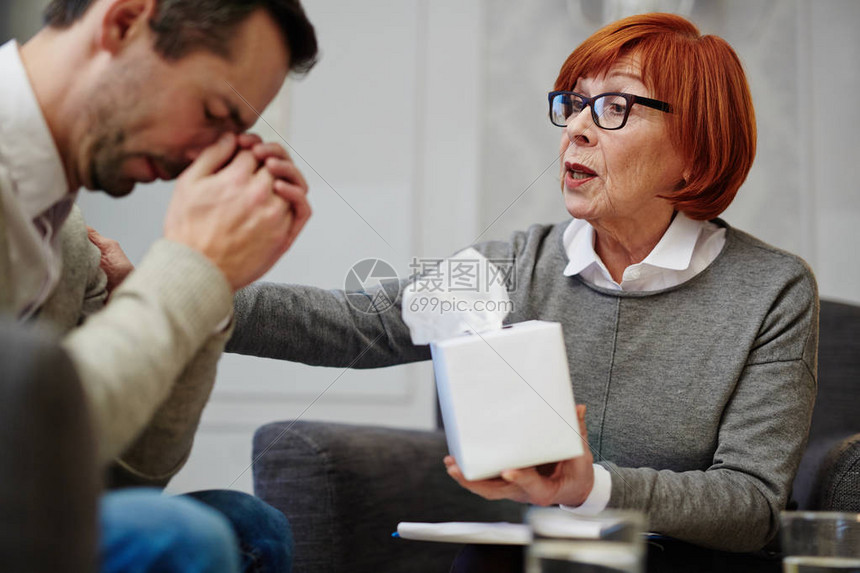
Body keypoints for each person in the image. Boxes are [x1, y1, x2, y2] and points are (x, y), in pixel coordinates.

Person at [225, 11, 818, 572]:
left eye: (615, 106)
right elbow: (356, 321)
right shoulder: (516, 264)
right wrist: (174, 292)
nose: (577, 130)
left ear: (695, 152)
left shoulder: (772, 290)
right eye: (575, 103)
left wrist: (592, 487)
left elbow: (753, 505)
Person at [0, 0, 316, 571]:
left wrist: (212, 289)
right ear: (124, 23)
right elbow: (30, 446)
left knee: (248, 525)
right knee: (178, 535)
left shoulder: (67, 236)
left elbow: (131, 475)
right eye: (212, 112)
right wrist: (188, 269)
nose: (204, 158)